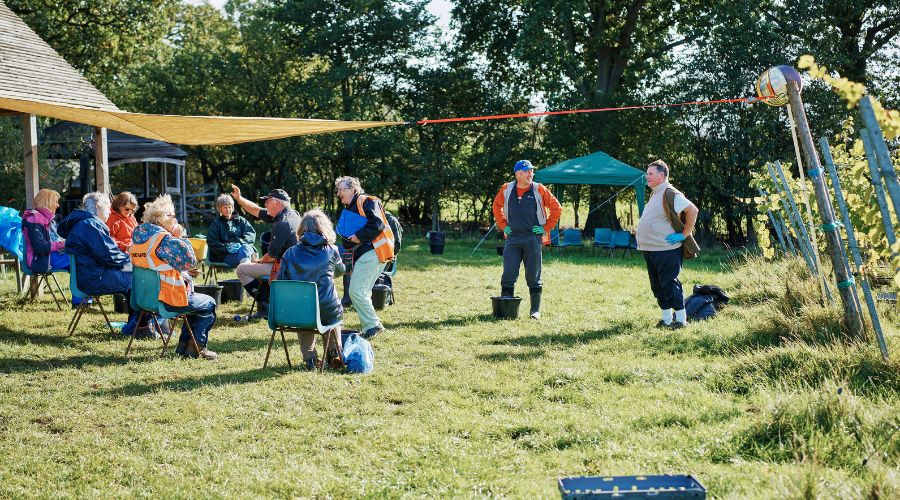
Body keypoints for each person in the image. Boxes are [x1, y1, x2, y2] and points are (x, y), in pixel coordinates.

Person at [130, 195, 218, 360]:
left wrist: (181, 273)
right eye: (172, 215)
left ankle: (184, 347)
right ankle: (197, 346)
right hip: (168, 299)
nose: (176, 219)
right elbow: (190, 261)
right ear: (161, 219)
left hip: (145, 299)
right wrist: (179, 237)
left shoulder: (138, 238)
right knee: (208, 303)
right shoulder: (164, 239)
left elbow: (157, 265)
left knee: (195, 304)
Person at [58, 192, 143, 330]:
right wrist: (133, 260)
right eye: (108, 207)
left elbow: (107, 255)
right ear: (98, 206)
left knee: (134, 275)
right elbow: (110, 256)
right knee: (138, 279)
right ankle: (137, 327)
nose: (109, 211)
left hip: (89, 274)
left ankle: (136, 325)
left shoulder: (85, 223)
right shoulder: (91, 225)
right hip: (94, 278)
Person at [492, 160, 562, 319]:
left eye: (532, 171)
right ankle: (506, 309)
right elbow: (496, 206)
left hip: (532, 238)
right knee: (508, 273)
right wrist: (503, 225)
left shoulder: (539, 189)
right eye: (527, 171)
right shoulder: (506, 189)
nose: (531, 174)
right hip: (513, 238)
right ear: (518, 174)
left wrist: (546, 228)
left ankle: (535, 311)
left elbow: (556, 207)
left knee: (533, 276)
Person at [277, 209, 346, 370]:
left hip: (299, 311)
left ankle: (310, 359)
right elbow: (341, 271)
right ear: (324, 228)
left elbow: (282, 281)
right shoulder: (332, 250)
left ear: (301, 229)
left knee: (304, 312)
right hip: (327, 308)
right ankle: (334, 353)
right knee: (332, 312)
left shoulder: (290, 252)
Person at [635, 159, 699, 329]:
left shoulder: (670, 193)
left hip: (666, 250)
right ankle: (666, 320)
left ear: (661, 176)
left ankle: (681, 321)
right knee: (657, 286)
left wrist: (684, 234)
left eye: (650, 174)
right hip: (650, 249)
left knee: (669, 284)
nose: (646, 176)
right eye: (647, 173)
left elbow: (692, 210)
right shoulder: (655, 193)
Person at [335, 176, 395, 339]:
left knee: (356, 290)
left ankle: (373, 326)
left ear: (353, 189)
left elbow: (377, 224)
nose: (338, 193)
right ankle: (371, 325)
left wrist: (358, 236)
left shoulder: (367, 200)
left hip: (375, 251)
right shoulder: (351, 206)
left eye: (341, 189)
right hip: (369, 253)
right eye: (338, 190)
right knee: (361, 291)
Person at [230, 185, 301, 318]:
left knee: (241, 269)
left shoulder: (282, 223)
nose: (265, 204)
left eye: (267, 201)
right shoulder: (292, 214)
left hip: (285, 268)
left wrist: (258, 261)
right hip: (295, 265)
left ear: (277, 203)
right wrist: (239, 198)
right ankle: (268, 303)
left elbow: (271, 257)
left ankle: (267, 306)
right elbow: (256, 210)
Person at [22, 188, 69, 274]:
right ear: (47, 202)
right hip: (42, 260)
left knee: (82, 257)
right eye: (55, 202)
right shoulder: (34, 219)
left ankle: (81, 286)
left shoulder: (47, 219)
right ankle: (78, 287)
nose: (58, 205)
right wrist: (63, 244)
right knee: (80, 260)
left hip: (50, 256)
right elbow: (39, 247)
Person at [207, 194, 256, 267]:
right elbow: (212, 241)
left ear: (232, 208)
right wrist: (227, 248)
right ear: (220, 209)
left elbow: (250, 234)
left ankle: (245, 269)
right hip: (227, 256)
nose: (228, 210)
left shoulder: (241, 221)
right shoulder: (216, 224)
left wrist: (241, 244)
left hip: (244, 250)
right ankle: (247, 269)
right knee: (247, 252)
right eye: (225, 207)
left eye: (229, 207)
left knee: (245, 248)